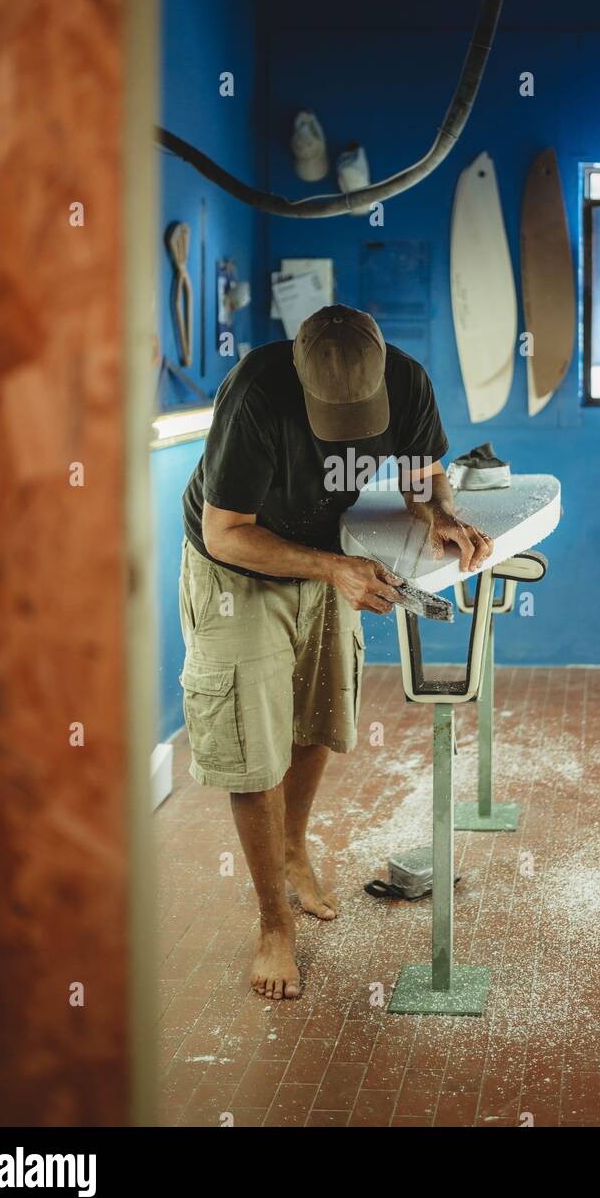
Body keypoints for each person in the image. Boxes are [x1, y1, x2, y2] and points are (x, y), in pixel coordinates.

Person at [179, 304, 493, 1000]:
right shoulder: (257, 392)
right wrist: (333, 569)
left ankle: (294, 849)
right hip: (238, 572)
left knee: (317, 715)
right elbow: (227, 532)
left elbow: (422, 475)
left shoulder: (408, 382)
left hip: (324, 553)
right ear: (299, 372)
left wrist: (440, 514)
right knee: (252, 747)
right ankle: (272, 926)